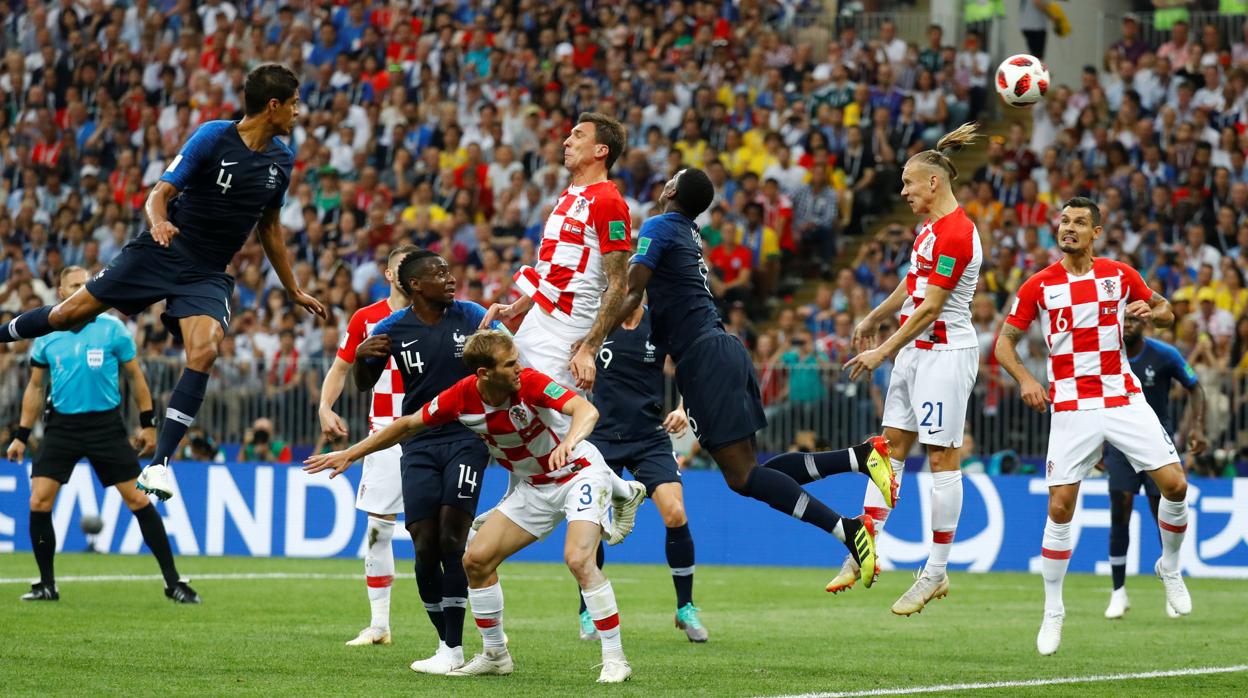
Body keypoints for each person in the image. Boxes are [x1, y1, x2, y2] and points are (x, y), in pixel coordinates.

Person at [0, 64, 328, 501]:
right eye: (294, 103)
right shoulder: (213, 136)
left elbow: (269, 227)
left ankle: (159, 465)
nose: (298, 112)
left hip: (207, 273)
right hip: (161, 251)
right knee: (67, 315)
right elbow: (159, 194)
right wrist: (158, 225)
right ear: (273, 106)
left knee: (206, 349)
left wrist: (292, 288)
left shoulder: (281, 160)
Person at [605, 167, 897, 592]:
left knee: (744, 478)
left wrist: (590, 337)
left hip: (706, 358)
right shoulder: (687, 232)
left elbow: (632, 291)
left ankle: (848, 529)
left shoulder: (659, 226)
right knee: (752, 474)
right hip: (721, 350)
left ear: (670, 190)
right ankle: (859, 458)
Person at [305, 331, 635, 683]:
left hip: (580, 473)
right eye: (510, 364)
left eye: (517, 360)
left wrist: (570, 441)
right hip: (535, 487)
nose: (519, 368)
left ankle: (615, 659)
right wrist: (349, 454)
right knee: (475, 561)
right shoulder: (461, 397)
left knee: (579, 559)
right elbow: (406, 425)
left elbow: (585, 409)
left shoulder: (531, 383)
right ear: (484, 373)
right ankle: (495, 655)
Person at [995, 197, 1192, 656]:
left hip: (1122, 397)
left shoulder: (1119, 274)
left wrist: (1154, 313)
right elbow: (1005, 343)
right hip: (1072, 406)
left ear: (1096, 232)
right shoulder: (1039, 285)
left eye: (1080, 222)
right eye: (1064, 221)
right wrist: (1026, 378)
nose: (1069, 228)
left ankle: (1171, 566)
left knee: (1175, 485)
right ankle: (1053, 610)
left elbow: (1165, 309)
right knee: (1060, 508)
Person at [828, 124, 985, 617]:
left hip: (944, 353)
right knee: (888, 450)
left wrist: (882, 350)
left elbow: (931, 308)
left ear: (932, 183)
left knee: (941, 459)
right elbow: (912, 285)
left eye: (908, 183)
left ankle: (935, 572)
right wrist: (876, 314)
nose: (903, 192)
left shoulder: (958, 232)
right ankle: (863, 544)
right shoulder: (929, 230)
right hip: (916, 353)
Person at [480, 112, 645, 542]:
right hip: (537, 320)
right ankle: (513, 499)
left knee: (559, 424)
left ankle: (624, 492)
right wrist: (516, 307)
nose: (567, 140)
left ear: (600, 150)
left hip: (568, 331)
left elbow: (619, 282)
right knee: (514, 410)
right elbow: (555, 270)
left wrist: (590, 346)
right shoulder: (568, 194)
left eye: (578, 135)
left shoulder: (609, 201)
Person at [335, 250, 494, 674]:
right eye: (438, 273)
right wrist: (365, 359)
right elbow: (363, 380)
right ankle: (449, 643)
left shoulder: (472, 315)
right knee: (423, 544)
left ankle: (458, 645)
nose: (450, 277)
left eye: (448, 270)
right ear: (415, 286)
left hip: (466, 437)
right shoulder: (392, 326)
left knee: (450, 540)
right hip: (418, 441)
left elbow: (506, 357)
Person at [5, 266, 198, 604]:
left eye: (87, 283)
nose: (83, 288)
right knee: (39, 501)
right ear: (61, 291)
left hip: (105, 426)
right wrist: (21, 435)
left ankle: (173, 582)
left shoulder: (113, 329)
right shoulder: (47, 332)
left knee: (139, 499)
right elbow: (35, 388)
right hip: (61, 426)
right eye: (75, 284)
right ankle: (46, 584)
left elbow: (137, 379)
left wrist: (148, 424)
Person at [575, 302, 707, 643]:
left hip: (649, 436)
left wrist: (682, 407)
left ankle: (685, 607)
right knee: (591, 523)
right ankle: (587, 610)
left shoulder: (658, 321)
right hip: (601, 436)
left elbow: (691, 368)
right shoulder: (598, 322)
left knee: (675, 513)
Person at [317, 244, 418, 647]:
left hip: (432, 429)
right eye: (402, 268)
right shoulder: (367, 318)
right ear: (389, 274)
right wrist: (326, 406)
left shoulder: (440, 315)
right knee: (378, 529)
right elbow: (341, 367)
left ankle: (460, 634)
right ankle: (379, 625)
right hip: (383, 434)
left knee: (442, 533)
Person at [1103, 313, 1207, 620]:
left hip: (1155, 444)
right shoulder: (1106, 355)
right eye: (1122, 319)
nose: (1127, 325)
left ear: (1145, 324)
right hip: (1118, 445)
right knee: (1118, 511)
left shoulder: (1165, 354)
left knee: (1160, 510)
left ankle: (1170, 579)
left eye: (1133, 320)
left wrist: (1198, 428)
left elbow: (1196, 387)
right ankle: (1118, 593)